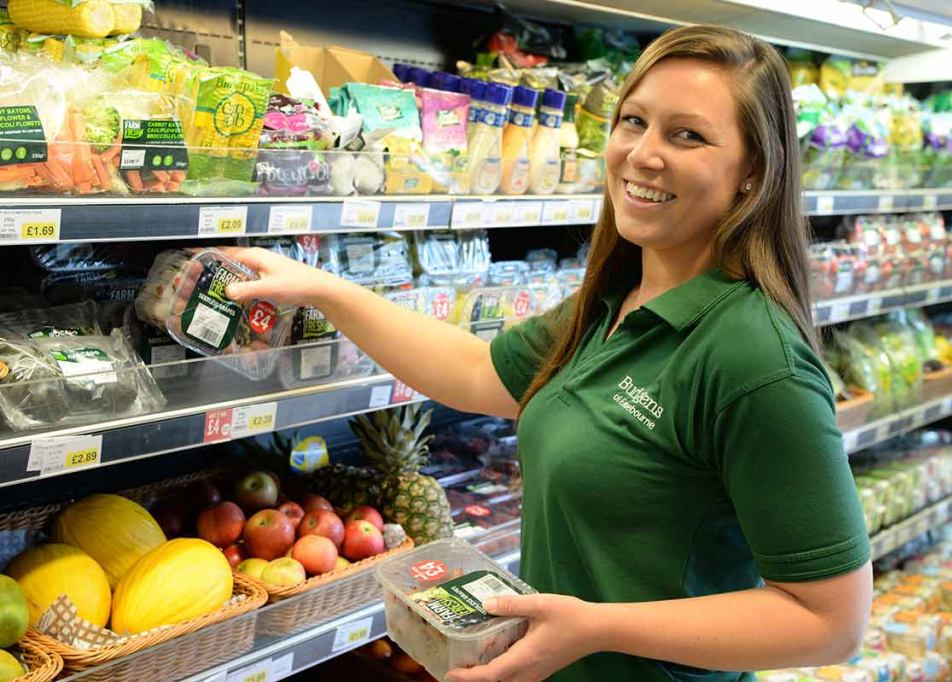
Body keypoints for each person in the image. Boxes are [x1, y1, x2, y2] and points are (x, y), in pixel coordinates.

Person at [226, 24, 872, 682]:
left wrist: (596, 627)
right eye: (633, 121)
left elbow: (830, 620)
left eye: (688, 135)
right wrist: (324, 290)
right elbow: (477, 372)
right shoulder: (612, 302)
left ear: (754, 171)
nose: (642, 155)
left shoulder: (755, 358)